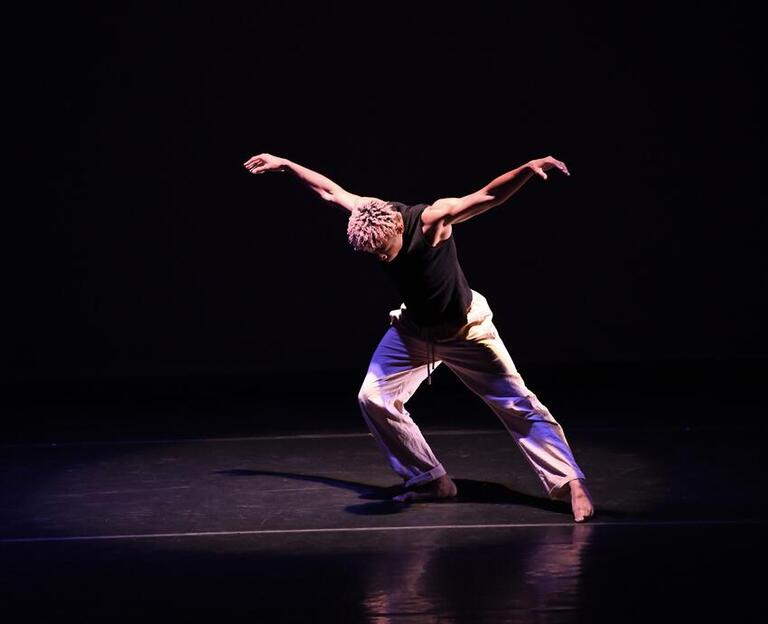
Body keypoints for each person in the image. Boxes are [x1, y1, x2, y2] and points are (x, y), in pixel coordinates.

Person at [243, 152, 594, 522]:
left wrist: (526, 170)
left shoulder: (433, 221)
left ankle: (572, 482)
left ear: (396, 228)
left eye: (382, 250)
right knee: (373, 397)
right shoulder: (368, 211)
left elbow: (487, 195)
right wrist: (286, 164)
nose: (380, 258)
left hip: (466, 332)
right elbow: (330, 192)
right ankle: (431, 479)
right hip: (414, 330)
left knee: (518, 403)